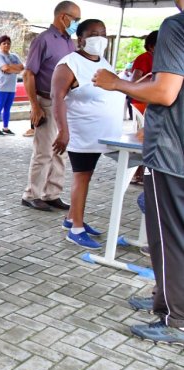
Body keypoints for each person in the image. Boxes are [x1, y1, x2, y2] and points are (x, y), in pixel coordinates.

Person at [92, 0, 184, 345]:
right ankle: (163, 297)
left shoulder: (176, 27)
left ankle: (173, 317)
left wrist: (119, 84)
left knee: (168, 237)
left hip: (174, 154)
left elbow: (165, 92)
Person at [51, 19, 125, 250]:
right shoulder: (69, 64)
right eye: (93, 33)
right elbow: (57, 97)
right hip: (81, 132)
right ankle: (76, 230)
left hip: (101, 134)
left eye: (103, 33)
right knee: (81, 178)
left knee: (87, 176)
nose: (99, 38)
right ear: (80, 39)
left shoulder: (104, 62)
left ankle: (73, 218)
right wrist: (63, 130)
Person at [21, 0, 81, 212]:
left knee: (60, 151)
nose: (77, 23)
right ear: (63, 17)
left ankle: (52, 193)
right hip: (45, 100)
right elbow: (29, 74)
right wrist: (35, 106)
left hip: (64, 102)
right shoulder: (44, 40)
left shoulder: (69, 42)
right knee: (44, 151)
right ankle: (32, 194)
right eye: (76, 19)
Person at [129, 31, 158, 185]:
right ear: (152, 46)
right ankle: (137, 174)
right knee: (141, 140)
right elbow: (135, 81)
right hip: (141, 104)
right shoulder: (144, 58)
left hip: (151, 104)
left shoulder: (160, 59)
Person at [0, 34, 24, 135]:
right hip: (1, 86)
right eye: (4, 43)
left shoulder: (14, 56)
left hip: (11, 86)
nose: (6, 45)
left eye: (8, 43)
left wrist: (10, 68)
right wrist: (13, 68)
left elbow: (21, 68)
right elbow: (5, 68)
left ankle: (6, 127)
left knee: (8, 108)